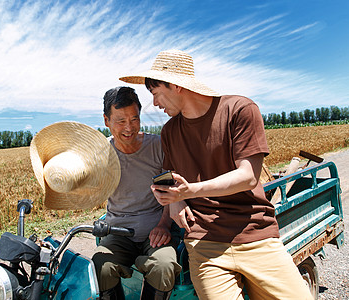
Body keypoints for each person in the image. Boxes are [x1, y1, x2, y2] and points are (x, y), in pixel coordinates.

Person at [119, 50, 313, 300]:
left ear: (176, 86)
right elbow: (170, 175)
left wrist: (190, 191)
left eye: (156, 94)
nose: (155, 104)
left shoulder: (239, 109)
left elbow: (247, 176)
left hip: (255, 234)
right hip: (204, 243)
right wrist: (175, 201)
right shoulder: (170, 131)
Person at [92, 86, 181, 300]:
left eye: (134, 119)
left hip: (156, 232)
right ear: (107, 121)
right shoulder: (101, 153)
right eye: (120, 120)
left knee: (164, 266)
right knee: (99, 267)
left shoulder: (158, 146)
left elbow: (170, 191)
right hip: (117, 232)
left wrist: (164, 225)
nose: (129, 127)